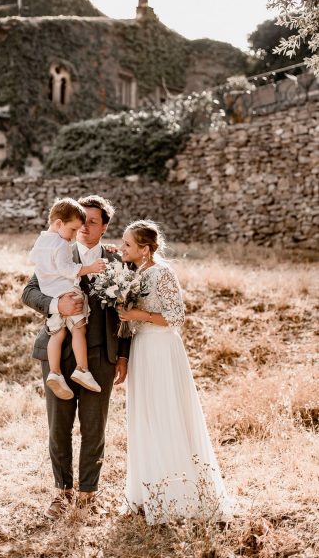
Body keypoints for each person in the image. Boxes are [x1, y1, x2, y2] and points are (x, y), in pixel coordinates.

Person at [118, 220, 234, 525]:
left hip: (161, 350)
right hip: (142, 347)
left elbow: (176, 315)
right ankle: (147, 492)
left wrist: (135, 314)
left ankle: (179, 497)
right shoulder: (135, 273)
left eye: (127, 244)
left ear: (144, 249)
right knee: (145, 416)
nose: (122, 248)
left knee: (165, 413)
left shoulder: (162, 272)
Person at [22, 195, 130, 517]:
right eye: (81, 222)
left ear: (104, 227)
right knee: (59, 426)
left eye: (92, 222)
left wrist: (122, 356)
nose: (84, 228)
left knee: (94, 428)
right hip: (58, 355)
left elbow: (127, 316)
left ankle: (88, 494)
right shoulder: (57, 249)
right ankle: (62, 492)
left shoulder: (117, 263)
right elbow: (29, 292)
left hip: (101, 355)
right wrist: (57, 306)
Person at [30, 198, 106, 400]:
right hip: (67, 294)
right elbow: (65, 269)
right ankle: (82, 369)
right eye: (73, 230)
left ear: (104, 227)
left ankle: (55, 374)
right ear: (58, 224)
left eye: (93, 222)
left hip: (51, 292)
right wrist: (89, 268)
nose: (74, 236)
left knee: (58, 333)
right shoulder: (62, 245)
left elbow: (36, 262)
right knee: (79, 328)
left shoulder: (40, 242)